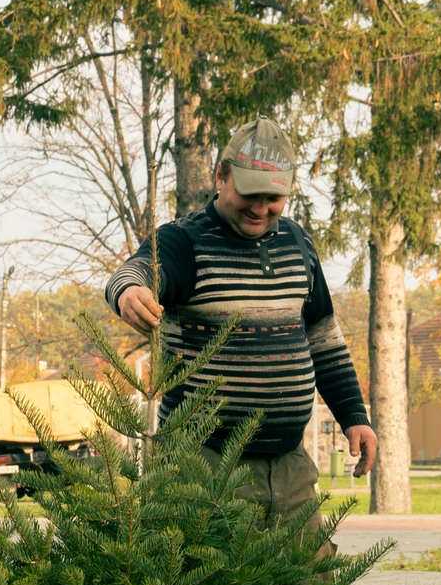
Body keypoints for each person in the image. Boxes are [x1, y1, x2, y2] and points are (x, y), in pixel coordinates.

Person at [106, 117, 377, 527]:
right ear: (221, 175)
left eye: (273, 198)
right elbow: (133, 272)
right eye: (249, 193)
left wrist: (354, 415)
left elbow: (323, 340)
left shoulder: (299, 244)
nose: (260, 208)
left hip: (290, 466)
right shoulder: (186, 242)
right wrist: (129, 294)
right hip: (202, 467)